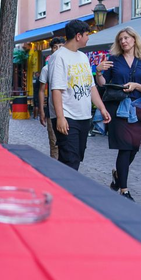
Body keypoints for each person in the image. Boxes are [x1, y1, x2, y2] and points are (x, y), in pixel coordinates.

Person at [95, 27, 141, 202]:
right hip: (117, 108)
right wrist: (99, 72)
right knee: (125, 148)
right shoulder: (114, 60)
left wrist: (136, 86)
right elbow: (103, 84)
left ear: (134, 39)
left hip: (137, 109)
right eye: (120, 39)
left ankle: (118, 175)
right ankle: (124, 189)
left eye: (126, 38)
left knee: (134, 149)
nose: (123, 41)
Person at [47, 20, 112, 170]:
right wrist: (60, 118)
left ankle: (63, 189)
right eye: (87, 34)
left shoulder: (83, 57)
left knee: (77, 157)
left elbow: (91, 86)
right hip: (67, 117)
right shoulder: (59, 57)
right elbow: (56, 90)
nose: (88, 38)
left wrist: (102, 108)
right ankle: (65, 192)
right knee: (70, 160)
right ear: (78, 36)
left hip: (84, 117)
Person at [36, 37, 64, 160]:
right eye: (55, 47)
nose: (58, 50)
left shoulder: (69, 65)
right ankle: (55, 170)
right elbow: (41, 90)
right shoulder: (46, 68)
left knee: (68, 144)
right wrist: (42, 110)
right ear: (51, 50)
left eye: (61, 47)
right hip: (52, 111)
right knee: (54, 143)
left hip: (69, 110)